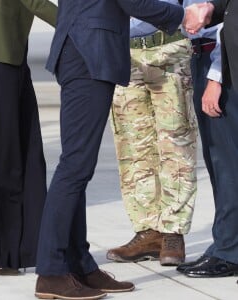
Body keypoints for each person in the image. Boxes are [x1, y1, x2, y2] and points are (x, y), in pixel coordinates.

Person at [34, 1, 187, 299]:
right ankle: (51, 272)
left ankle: (79, 264)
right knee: (74, 167)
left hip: (84, 49)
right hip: (87, 52)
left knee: (79, 168)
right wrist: (180, 15)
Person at [0, 0, 57, 275]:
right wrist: (78, 22)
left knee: (28, 151)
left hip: (13, 55)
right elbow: (35, 1)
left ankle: (23, 249)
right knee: (1, 155)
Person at [107, 0, 197, 268]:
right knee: (132, 146)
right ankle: (148, 230)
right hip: (125, 53)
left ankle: (173, 231)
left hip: (168, 48)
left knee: (176, 144)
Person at [177, 0, 238, 277]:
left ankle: (228, 250)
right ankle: (223, 245)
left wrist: (217, 77)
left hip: (221, 61)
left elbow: (231, 16)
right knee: (218, 163)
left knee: (226, 164)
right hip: (201, 55)